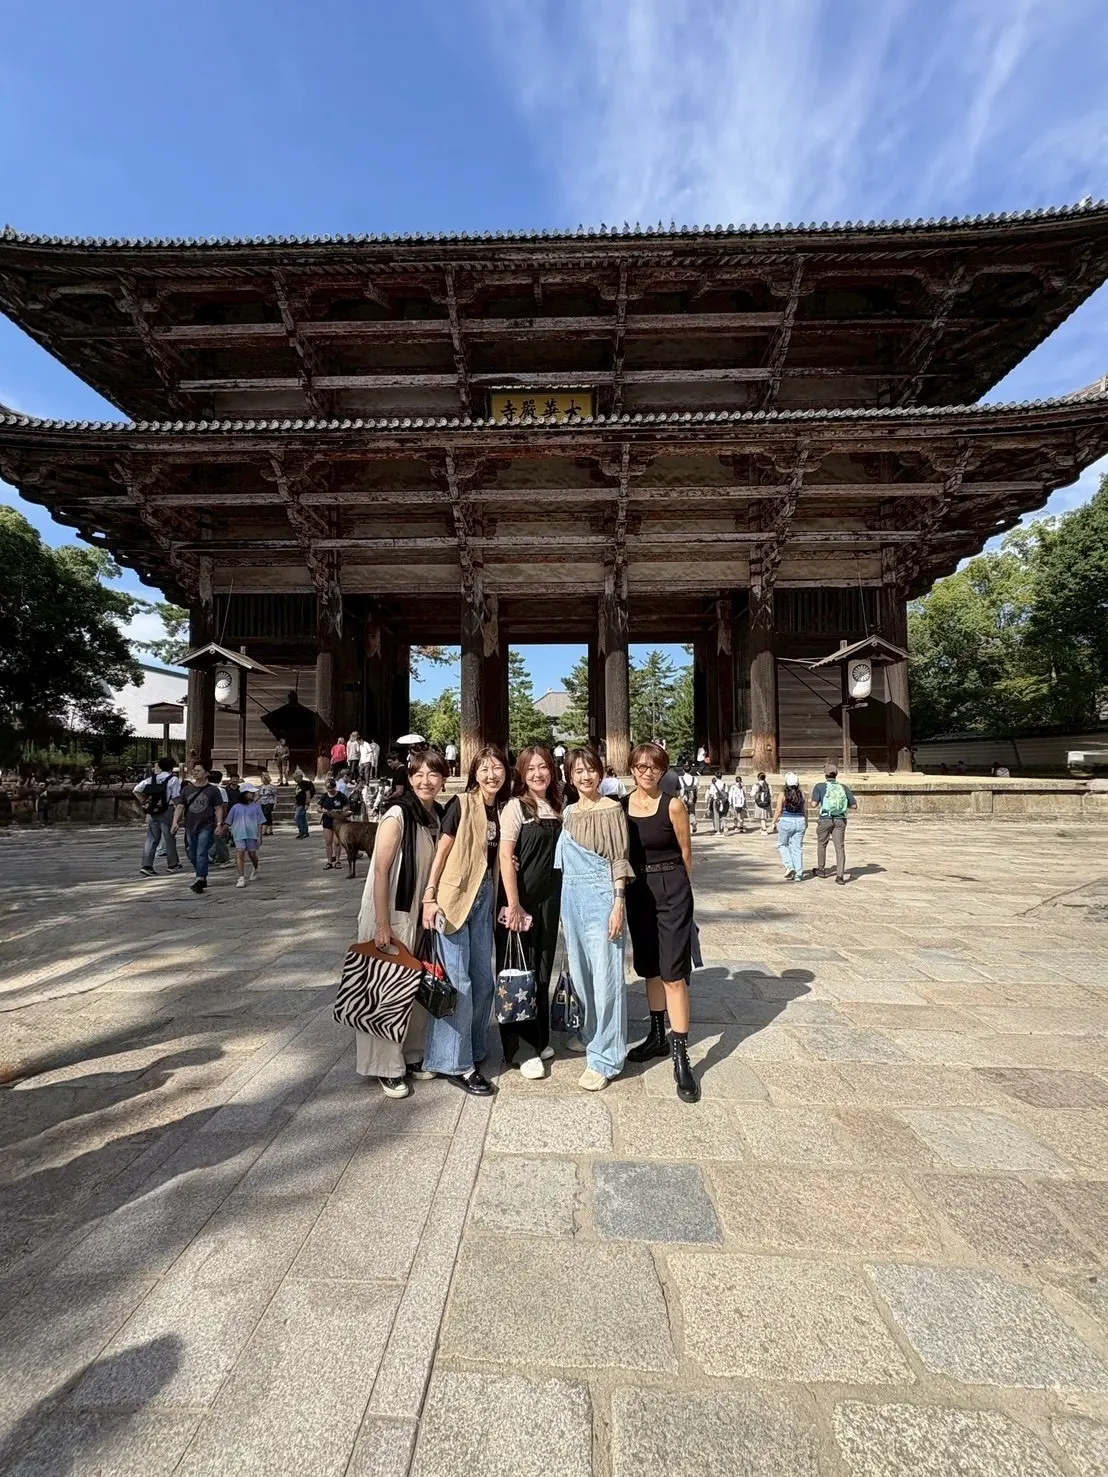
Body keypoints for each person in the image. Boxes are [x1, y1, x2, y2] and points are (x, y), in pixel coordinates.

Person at [355, 747, 448, 1097]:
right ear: (410, 778)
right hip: (390, 911)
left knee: (413, 986)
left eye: (433, 774)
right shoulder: (399, 813)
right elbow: (380, 869)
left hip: (417, 913)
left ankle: (410, 1054)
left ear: (442, 778)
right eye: (419, 774)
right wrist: (382, 924)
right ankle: (384, 1065)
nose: (426, 781)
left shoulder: (435, 815)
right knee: (385, 990)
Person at [420, 746, 511, 1096]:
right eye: (484, 768)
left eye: (497, 768)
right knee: (458, 983)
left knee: (483, 982)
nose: (491, 774)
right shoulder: (462, 804)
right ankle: (455, 1064)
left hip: (484, 896)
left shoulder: (503, 809)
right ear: (473, 773)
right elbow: (442, 852)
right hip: (454, 898)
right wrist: (430, 896)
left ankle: (471, 1047)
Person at [624, 741, 699, 1102]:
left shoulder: (674, 805)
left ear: (663, 770)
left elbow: (686, 854)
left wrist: (683, 899)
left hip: (671, 888)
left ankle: (680, 1053)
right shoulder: (621, 806)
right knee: (650, 968)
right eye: (640, 766)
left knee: (672, 973)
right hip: (639, 890)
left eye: (654, 767)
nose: (647, 772)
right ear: (632, 770)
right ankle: (656, 1034)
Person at [554, 747, 632, 1091]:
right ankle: (589, 1031)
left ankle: (606, 1057)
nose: (585, 776)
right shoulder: (568, 812)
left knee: (606, 977)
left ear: (600, 774)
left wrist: (618, 903)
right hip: (571, 897)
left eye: (591, 770)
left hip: (602, 895)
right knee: (582, 976)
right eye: (578, 771)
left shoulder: (612, 808)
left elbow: (619, 857)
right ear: (569, 777)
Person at [497, 745, 563, 1081]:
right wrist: (513, 904)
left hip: (551, 900)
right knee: (517, 970)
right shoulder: (515, 807)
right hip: (522, 900)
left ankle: (539, 1038)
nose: (538, 774)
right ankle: (519, 1049)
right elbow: (506, 856)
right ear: (521, 773)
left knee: (540, 969)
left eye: (544, 767)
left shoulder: (556, 806)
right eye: (531, 768)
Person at [171, 763, 226, 895]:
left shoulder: (213, 790)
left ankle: (200, 879)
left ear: (206, 773)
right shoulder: (187, 790)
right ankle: (201, 872)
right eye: (194, 771)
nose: (195, 773)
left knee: (201, 852)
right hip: (190, 825)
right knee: (191, 853)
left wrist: (219, 824)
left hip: (206, 825)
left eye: (198, 771)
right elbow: (180, 806)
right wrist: (175, 822)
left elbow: (218, 807)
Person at [809, 765, 858, 885]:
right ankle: (840, 876)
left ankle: (821, 869)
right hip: (840, 819)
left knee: (822, 844)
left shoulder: (820, 786)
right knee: (839, 847)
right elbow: (854, 806)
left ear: (825, 775)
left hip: (825, 819)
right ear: (836, 775)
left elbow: (814, 804)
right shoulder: (843, 787)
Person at [134, 757, 182, 876]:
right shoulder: (173, 779)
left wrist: (144, 801)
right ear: (172, 767)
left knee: (151, 838)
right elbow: (176, 796)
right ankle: (172, 864)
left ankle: (147, 865)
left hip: (152, 811)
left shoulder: (152, 778)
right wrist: (180, 809)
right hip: (167, 810)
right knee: (169, 837)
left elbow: (136, 790)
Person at [226, 782, 266, 887]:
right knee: (240, 852)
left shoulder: (256, 807)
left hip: (252, 834)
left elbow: (260, 822)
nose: (253, 794)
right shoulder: (235, 807)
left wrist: (260, 836)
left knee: (252, 854)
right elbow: (229, 821)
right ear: (244, 794)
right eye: (250, 793)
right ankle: (241, 877)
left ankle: (256, 867)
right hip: (239, 833)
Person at [773, 772, 807, 882]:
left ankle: (790, 865)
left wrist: (773, 822)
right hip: (800, 820)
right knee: (797, 847)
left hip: (786, 820)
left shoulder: (783, 794)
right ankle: (799, 873)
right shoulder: (802, 794)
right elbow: (805, 810)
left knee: (782, 844)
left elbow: (779, 810)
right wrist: (806, 821)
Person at [318, 778, 349, 868]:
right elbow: (318, 808)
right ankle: (329, 861)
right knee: (328, 841)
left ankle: (338, 860)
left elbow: (346, 806)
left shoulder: (341, 796)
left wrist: (340, 811)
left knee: (337, 842)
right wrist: (323, 810)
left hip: (338, 821)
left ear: (335, 787)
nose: (330, 790)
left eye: (332, 788)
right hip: (327, 820)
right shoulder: (324, 796)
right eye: (328, 789)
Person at [293, 773, 315, 839]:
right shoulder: (298, 785)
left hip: (303, 804)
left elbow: (308, 794)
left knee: (298, 817)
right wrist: (295, 803)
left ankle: (303, 831)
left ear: (300, 777)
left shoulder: (305, 784)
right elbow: (297, 795)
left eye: (296, 778)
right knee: (302, 818)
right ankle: (303, 832)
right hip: (299, 803)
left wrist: (307, 803)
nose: (295, 779)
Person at [678, 765, 698, 834]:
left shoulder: (681, 779)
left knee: (684, 812)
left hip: (684, 797)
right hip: (692, 797)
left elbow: (681, 789)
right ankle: (693, 822)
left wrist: (680, 797)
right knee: (692, 811)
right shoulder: (695, 779)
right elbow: (697, 788)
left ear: (683, 770)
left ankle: (685, 827)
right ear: (690, 770)